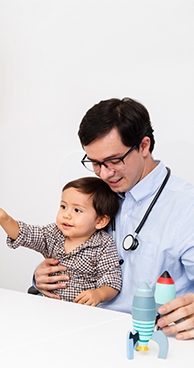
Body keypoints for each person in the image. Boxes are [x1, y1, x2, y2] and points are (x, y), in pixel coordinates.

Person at [33, 97, 194, 339]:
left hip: (149, 338)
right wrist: (43, 276)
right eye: (95, 163)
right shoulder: (93, 196)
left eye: (114, 161)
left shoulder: (186, 207)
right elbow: (63, 247)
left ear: (144, 146)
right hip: (78, 326)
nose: (105, 174)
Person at [0, 177, 121, 306]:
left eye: (77, 210)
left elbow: (111, 281)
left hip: (80, 310)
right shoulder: (54, 233)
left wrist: (99, 294)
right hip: (48, 305)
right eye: (63, 206)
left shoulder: (103, 244)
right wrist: (5, 220)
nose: (66, 215)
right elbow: (25, 234)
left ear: (100, 221)